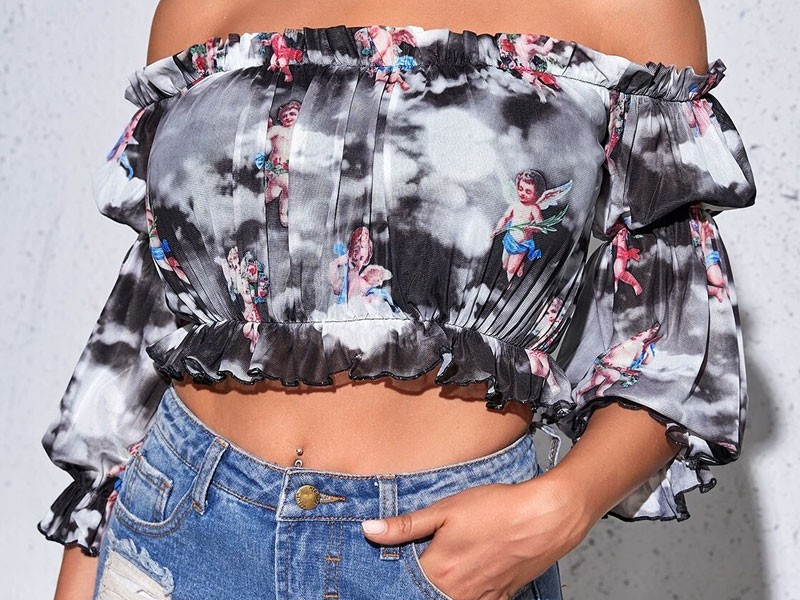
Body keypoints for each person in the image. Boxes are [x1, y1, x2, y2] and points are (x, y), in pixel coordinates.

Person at [38, 1, 757, 599]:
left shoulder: (628, 11)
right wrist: (85, 552)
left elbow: (673, 328)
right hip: (178, 524)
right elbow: (156, 300)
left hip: (439, 554)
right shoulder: (201, 7)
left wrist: (563, 504)